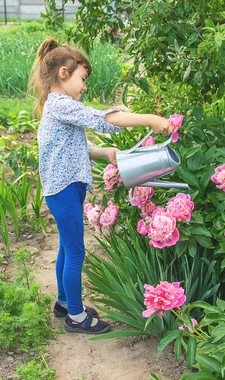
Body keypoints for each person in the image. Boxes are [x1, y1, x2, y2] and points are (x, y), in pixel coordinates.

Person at [29, 38, 172, 334]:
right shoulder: (60, 104)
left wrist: (101, 153)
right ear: (64, 75)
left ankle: (65, 302)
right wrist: (151, 120)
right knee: (76, 251)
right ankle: (77, 318)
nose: (84, 86)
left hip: (63, 189)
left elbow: (67, 147)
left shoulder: (56, 107)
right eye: (82, 78)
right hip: (65, 190)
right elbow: (101, 119)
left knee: (67, 249)